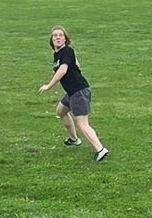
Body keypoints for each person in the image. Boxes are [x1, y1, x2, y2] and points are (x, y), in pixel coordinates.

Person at [38, 25, 109, 162]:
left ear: (65, 39)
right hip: (72, 93)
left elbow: (63, 70)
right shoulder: (58, 54)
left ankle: (100, 150)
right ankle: (74, 139)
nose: (58, 37)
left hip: (79, 91)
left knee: (82, 123)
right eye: (55, 36)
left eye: (61, 35)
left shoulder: (67, 51)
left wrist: (49, 86)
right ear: (51, 41)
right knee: (61, 111)